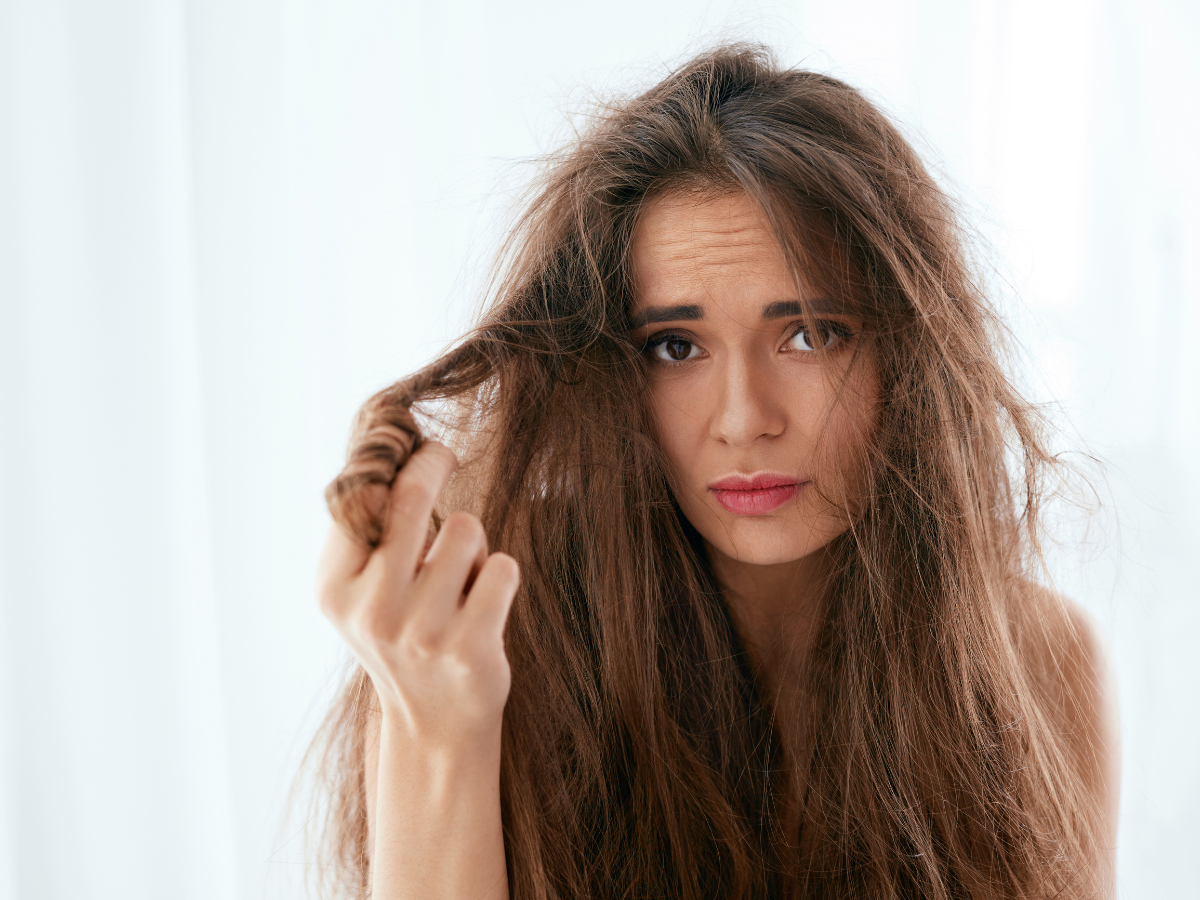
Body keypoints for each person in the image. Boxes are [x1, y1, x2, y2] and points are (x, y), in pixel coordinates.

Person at [306, 44, 1118, 900]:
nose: (743, 420)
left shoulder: (1034, 662)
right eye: (674, 346)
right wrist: (439, 725)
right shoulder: (482, 652)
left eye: (809, 334)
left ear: (910, 355)